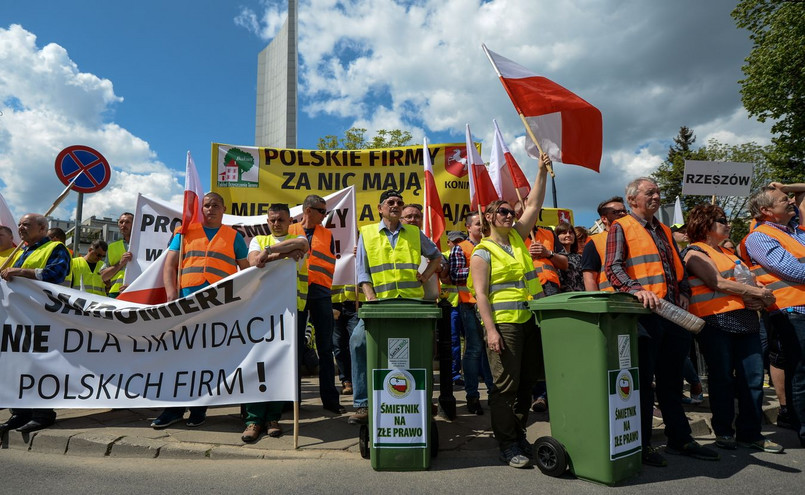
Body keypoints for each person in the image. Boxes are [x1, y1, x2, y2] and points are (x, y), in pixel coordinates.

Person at [605, 177, 720, 467]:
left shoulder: (665, 230)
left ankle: (680, 439)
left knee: (671, 383)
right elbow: (613, 267)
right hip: (644, 317)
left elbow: (676, 268)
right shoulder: (621, 227)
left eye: (658, 191)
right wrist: (636, 289)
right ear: (632, 200)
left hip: (673, 315)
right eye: (650, 192)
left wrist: (683, 292)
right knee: (643, 384)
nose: (657, 196)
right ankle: (641, 446)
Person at [468, 152, 549, 469]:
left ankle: (518, 438)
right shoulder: (482, 252)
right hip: (505, 327)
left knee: (526, 386)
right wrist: (491, 331)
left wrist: (541, 171)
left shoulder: (517, 236)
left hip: (531, 322)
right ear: (488, 217)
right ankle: (507, 445)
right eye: (502, 212)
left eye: (510, 211)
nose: (509, 215)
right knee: (504, 388)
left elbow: (533, 205)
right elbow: (481, 295)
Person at [682, 203, 783, 453]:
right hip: (716, 324)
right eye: (721, 220)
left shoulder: (730, 254)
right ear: (705, 225)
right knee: (722, 379)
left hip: (747, 323)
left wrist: (760, 297)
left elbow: (745, 282)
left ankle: (750, 433)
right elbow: (716, 282)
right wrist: (756, 292)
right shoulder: (694, 252)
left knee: (753, 379)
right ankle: (724, 432)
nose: (728, 224)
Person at [151, 192, 250, 429]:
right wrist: (172, 295)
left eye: (216, 205)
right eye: (207, 205)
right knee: (179, 357)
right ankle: (174, 409)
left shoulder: (234, 236)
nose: (211, 209)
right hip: (186, 304)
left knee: (208, 358)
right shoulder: (185, 232)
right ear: (201, 209)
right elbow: (170, 264)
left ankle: (199, 408)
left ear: (224, 209)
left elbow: (247, 271)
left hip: (219, 307)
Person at [348, 189, 442, 425]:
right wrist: (370, 299)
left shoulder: (413, 232)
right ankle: (362, 404)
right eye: (390, 202)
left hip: (412, 304)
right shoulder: (367, 232)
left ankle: (424, 398)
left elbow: (437, 256)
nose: (396, 205)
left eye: (399, 202)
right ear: (380, 208)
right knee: (358, 341)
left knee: (419, 351)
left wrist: (424, 275)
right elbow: (362, 271)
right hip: (380, 303)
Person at [241, 203, 310, 442]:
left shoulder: (296, 236)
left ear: (290, 220)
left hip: (290, 311)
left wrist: (269, 251)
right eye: (272, 219)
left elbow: (302, 246)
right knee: (257, 364)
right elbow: (253, 263)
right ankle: (253, 419)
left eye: (281, 219)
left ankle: (273, 418)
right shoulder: (256, 240)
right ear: (267, 220)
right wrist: (284, 255)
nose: (276, 223)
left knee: (282, 366)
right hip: (261, 312)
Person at [744, 182, 805, 448]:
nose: (790, 201)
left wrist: (786, 185)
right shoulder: (759, 236)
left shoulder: (797, 232)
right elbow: (793, 270)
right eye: (784, 199)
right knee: (801, 371)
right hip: (791, 311)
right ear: (767, 210)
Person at [0, 214, 71, 434]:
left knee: (40, 365)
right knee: (19, 365)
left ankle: (43, 414)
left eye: (26, 225)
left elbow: (56, 274)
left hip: (44, 318)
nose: (21, 228)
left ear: (42, 228)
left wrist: (19, 272)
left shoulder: (56, 248)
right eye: (19, 224)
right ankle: (20, 412)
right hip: (21, 318)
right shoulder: (23, 252)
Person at [288, 195, 345, 415]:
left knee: (326, 348)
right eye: (322, 211)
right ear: (308, 210)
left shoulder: (327, 234)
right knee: (294, 349)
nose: (325, 215)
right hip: (296, 294)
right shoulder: (290, 230)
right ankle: (292, 402)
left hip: (321, 294)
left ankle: (330, 400)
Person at [449, 213, 495, 415]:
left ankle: (494, 393)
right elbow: (455, 275)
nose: (481, 227)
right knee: (474, 349)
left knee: (491, 350)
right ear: (468, 227)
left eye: (483, 224)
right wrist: (479, 269)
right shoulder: (461, 248)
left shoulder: (491, 246)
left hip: (492, 305)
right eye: (477, 224)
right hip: (470, 305)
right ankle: (472, 395)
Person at [581, 196, 627, 292]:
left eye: (624, 211)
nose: (622, 214)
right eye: (616, 212)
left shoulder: (635, 236)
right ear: (604, 219)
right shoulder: (594, 242)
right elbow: (589, 278)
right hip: (612, 300)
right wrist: (595, 303)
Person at [101, 212, 134, 297]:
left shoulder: (143, 245)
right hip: (115, 293)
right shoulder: (112, 247)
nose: (123, 225)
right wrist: (120, 263)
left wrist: (133, 286)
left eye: (127, 222)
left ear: (134, 224)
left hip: (137, 291)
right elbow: (104, 276)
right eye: (121, 222)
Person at [555, 222, 584, 292]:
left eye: (571, 232)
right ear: (556, 236)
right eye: (564, 233)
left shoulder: (579, 257)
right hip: (563, 298)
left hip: (582, 296)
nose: (568, 235)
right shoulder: (553, 257)